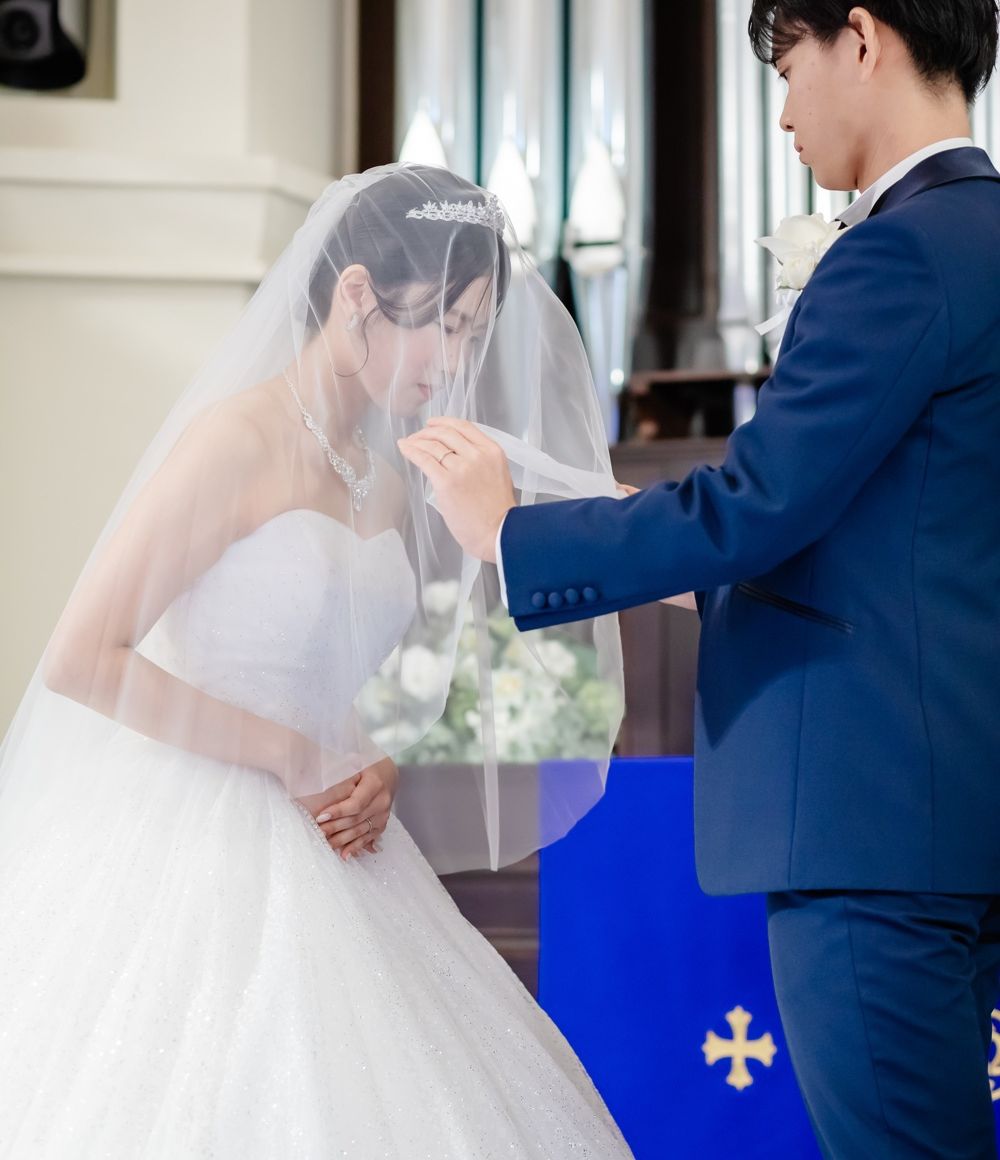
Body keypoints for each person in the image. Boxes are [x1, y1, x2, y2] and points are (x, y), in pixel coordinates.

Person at [398, 4, 1000, 1156]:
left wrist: (514, 533)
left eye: (788, 67)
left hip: (870, 830)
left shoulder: (898, 252)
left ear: (860, 38)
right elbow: (899, 550)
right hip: (954, 811)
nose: (781, 114)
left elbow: (754, 505)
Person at [0, 164, 633, 1158]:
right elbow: (83, 655)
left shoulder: (386, 476)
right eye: (444, 324)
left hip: (338, 834)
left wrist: (374, 755)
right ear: (356, 294)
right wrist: (294, 756)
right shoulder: (233, 441)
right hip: (198, 826)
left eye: (472, 331)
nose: (453, 361)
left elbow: (367, 672)